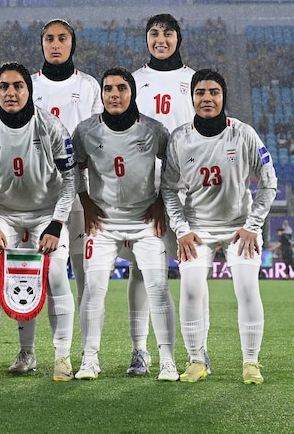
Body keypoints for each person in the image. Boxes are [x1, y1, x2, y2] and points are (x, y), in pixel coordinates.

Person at [161, 69, 277, 384]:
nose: (207, 98)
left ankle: (250, 363)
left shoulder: (244, 134)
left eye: (214, 92)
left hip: (240, 226)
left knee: (247, 287)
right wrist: (182, 228)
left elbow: (269, 183)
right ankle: (197, 360)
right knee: (192, 289)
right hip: (197, 227)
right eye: (200, 92)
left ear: (223, 96)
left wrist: (254, 225)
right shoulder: (180, 138)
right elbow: (168, 189)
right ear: (192, 97)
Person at [0, 62, 77, 382]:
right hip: (3, 216)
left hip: (47, 214)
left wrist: (56, 225)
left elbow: (70, 182)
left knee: (56, 274)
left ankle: (62, 359)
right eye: (4, 86)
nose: (11, 93)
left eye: (18, 86)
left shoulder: (52, 126)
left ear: (29, 91)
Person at [72, 67, 178, 381]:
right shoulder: (85, 130)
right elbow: (75, 167)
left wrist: (160, 201)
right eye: (108, 89)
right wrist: (85, 200)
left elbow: (170, 167)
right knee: (93, 289)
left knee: (158, 287)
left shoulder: (153, 129)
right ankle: (89, 359)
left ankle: (167, 360)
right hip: (103, 222)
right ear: (101, 94)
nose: (114, 94)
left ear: (132, 93)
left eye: (121, 88)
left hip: (144, 220)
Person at [18, 19, 100, 374]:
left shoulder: (88, 85)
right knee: (35, 273)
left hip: (80, 192)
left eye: (62, 38)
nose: (55, 44)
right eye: (49, 38)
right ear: (41, 44)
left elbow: (99, 135)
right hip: (37, 195)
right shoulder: (29, 86)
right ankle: (27, 352)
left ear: (72, 44)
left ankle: (83, 353)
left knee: (84, 274)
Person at [130, 13, 204, 376]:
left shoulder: (194, 82)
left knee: (193, 271)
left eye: (168, 33)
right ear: (146, 39)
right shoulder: (133, 82)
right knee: (141, 273)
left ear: (179, 38)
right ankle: (140, 351)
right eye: (154, 33)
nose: (161, 39)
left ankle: (197, 353)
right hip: (142, 191)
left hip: (188, 191)